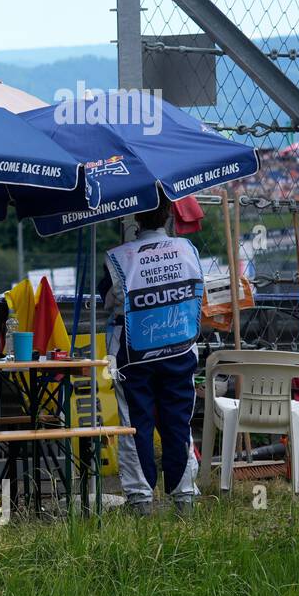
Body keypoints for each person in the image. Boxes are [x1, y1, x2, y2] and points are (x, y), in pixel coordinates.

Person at [100, 193, 204, 515]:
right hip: (180, 347)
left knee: (135, 423)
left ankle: (140, 499)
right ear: (170, 213)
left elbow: (107, 300)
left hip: (134, 353)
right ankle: (184, 496)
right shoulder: (188, 250)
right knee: (178, 422)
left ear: (135, 216)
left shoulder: (117, 257)